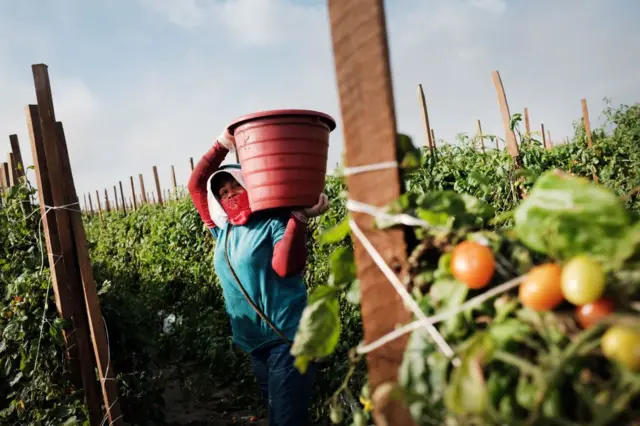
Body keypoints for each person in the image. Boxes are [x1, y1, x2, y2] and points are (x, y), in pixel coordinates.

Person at [187, 127, 329, 426]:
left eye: (235, 187)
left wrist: (299, 220)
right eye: (223, 193)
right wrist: (224, 143)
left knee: (285, 420)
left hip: (288, 340)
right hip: (257, 346)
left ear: (250, 185)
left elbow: (286, 267)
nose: (229, 195)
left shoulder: (274, 220)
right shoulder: (222, 231)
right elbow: (197, 184)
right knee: (280, 415)